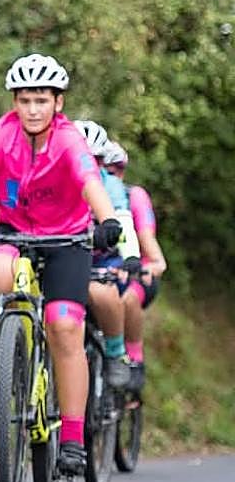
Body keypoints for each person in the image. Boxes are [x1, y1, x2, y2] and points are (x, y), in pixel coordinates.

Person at [0, 53, 122, 476]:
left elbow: (90, 181)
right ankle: (8, 352)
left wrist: (106, 220)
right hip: (15, 232)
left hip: (67, 239)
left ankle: (71, 438)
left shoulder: (69, 139)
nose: (33, 109)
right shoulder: (1, 132)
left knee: (65, 325)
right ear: (14, 102)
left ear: (58, 103)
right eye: (25, 100)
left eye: (41, 101)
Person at [75, 119, 138, 389]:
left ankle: (115, 352)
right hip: (63, 258)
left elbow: (123, 220)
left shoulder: (109, 185)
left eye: (95, 159)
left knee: (100, 293)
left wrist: (132, 254)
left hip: (103, 262)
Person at [104, 141, 167, 392]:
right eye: (105, 169)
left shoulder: (134, 197)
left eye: (117, 169)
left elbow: (154, 255)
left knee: (128, 299)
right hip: (101, 274)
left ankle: (134, 359)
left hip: (135, 275)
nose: (111, 175)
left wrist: (145, 269)